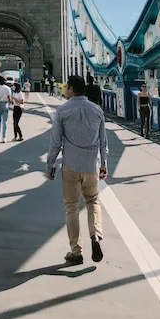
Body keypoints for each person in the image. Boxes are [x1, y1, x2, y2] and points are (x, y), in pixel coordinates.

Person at [47, 75, 108, 266]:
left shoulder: (62, 111)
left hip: (71, 167)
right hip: (92, 166)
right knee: (93, 201)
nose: (65, 89)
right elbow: (103, 141)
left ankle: (76, 251)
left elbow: (56, 143)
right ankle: (96, 235)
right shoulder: (97, 110)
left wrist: (50, 165)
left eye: (66, 87)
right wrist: (104, 163)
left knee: (72, 207)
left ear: (72, 89)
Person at [0, 76, 12, 143]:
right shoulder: (8, 88)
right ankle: (4, 138)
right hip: (5, 104)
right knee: (5, 122)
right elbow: (9, 97)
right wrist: (10, 103)